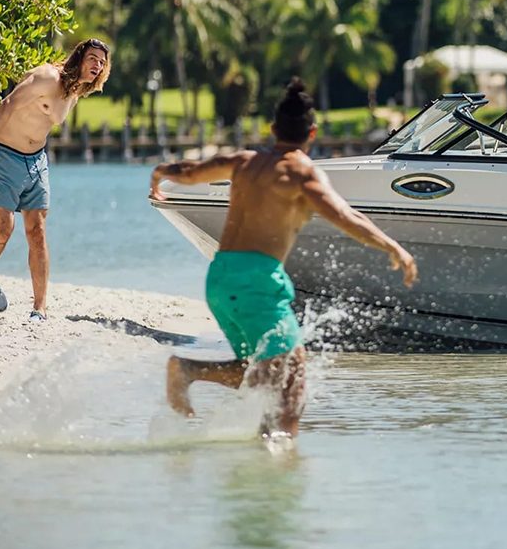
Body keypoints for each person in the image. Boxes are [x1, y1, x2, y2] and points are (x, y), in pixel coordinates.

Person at [149, 78, 418, 438]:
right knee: (293, 378)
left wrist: (160, 173)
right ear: (313, 132)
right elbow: (346, 216)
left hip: (220, 277)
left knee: (261, 370)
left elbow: (192, 172)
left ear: (273, 129)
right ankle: (274, 457)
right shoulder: (302, 173)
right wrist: (393, 247)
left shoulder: (244, 161)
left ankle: (256, 444)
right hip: (258, 281)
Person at [0, 38, 111, 320]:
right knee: (3, 231)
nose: (98, 64)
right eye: (93, 58)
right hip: (5, 155)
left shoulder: (75, 91)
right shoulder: (47, 77)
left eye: (102, 62)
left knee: (37, 232)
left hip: (37, 161)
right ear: (79, 57)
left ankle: (39, 308)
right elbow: (7, 104)